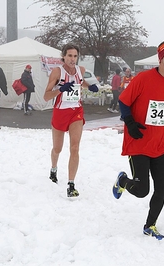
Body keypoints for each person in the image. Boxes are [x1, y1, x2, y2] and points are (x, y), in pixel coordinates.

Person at [112, 39, 164, 240]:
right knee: (141, 191)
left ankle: (150, 225)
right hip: (138, 141)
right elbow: (124, 101)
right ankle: (123, 180)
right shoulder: (143, 78)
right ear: (161, 58)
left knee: (162, 187)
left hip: (160, 143)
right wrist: (129, 121)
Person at [43, 43, 99, 197]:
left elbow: (81, 82)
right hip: (60, 112)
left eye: (75, 56)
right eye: (69, 56)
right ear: (64, 56)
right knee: (57, 148)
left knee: (75, 148)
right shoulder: (57, 72)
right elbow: (46, 96)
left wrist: (90, 86)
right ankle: (54, 168)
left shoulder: (81, 70)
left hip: (76, 112)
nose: (72, 59)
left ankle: (71, 184)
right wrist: (60, 89)